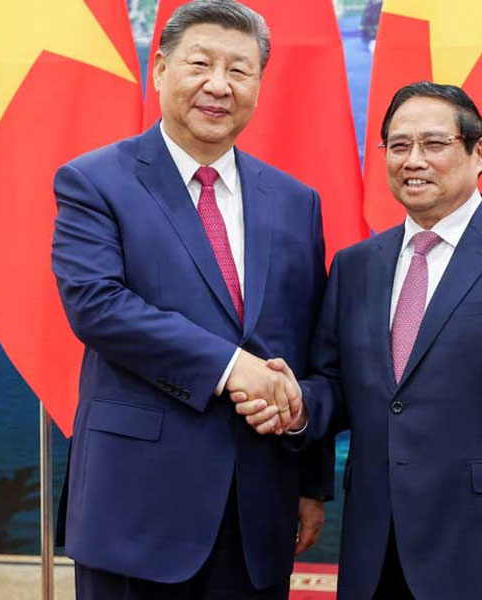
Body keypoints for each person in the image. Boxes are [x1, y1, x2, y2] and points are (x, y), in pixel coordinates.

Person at [237, 82, 482, 599]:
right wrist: (294, 404)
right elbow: (337, 386)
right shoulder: (356, 266)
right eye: (399, 145)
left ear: (480, 151)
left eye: (434, 144)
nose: (414, 160)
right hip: (375, 547)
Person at [51, 1, 330, 598]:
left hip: (258, 511)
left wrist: (310, 479)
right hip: (136, 509)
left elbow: (306, 345)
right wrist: (232, 369)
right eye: (200, 64)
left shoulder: (294, 200)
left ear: (259, 83)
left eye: (240, 70)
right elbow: (98, 305)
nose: (218, 85)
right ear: (160, 69)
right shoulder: (94, 181)